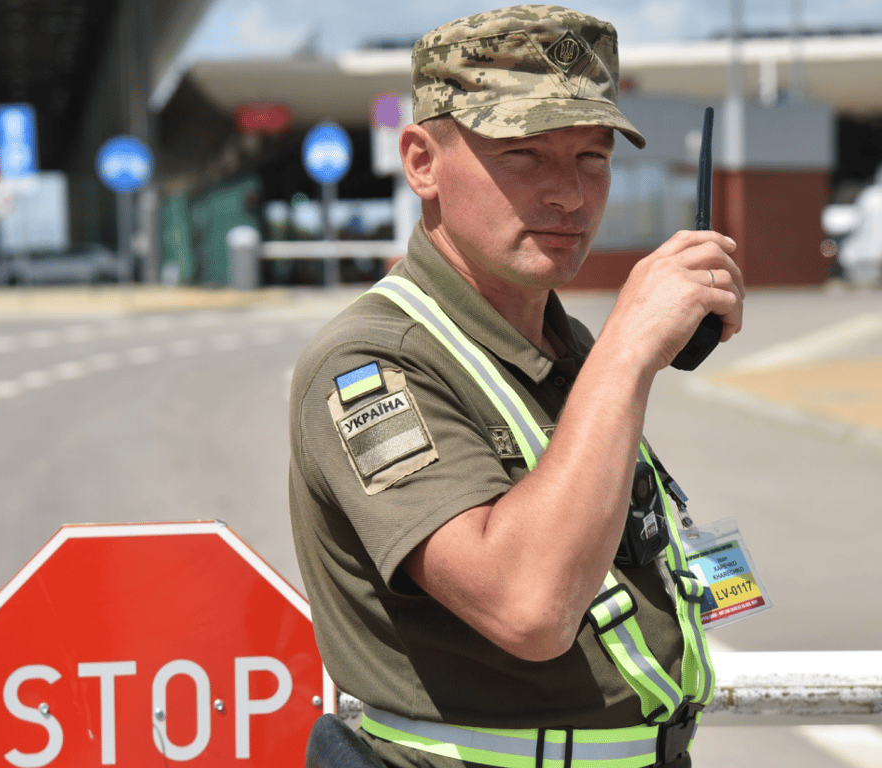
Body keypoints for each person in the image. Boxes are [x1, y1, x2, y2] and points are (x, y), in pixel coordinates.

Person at [289, 5, 745, 767]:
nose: (568, 194)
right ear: (421, 162)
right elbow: (527, 606)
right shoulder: (372, 362)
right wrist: (628, 350)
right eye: (523, 155)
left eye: (592, 158)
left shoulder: (558, 344)